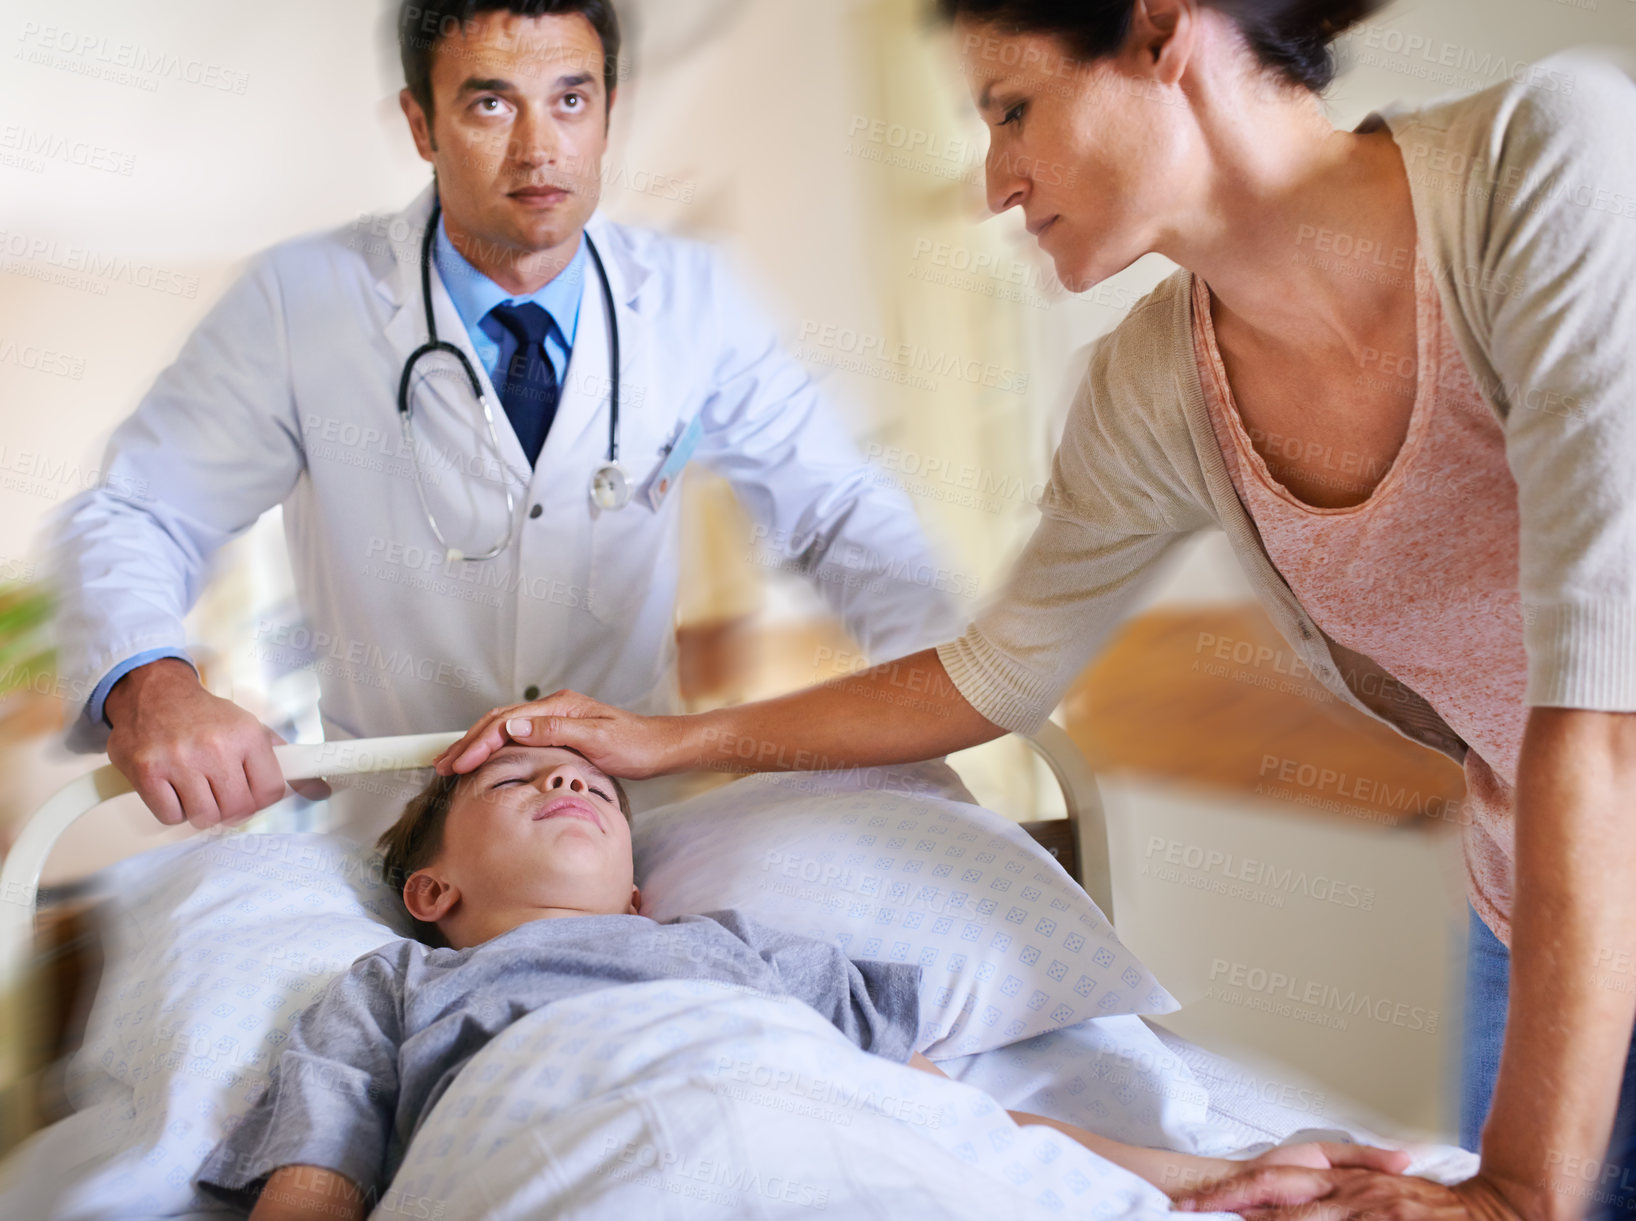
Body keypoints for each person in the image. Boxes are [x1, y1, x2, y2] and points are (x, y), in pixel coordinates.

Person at [431, 4, 1636, 1221]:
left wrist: (1521, 1192)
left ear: (1165, 32)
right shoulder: (1153, 385)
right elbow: (990, 676)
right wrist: (669, 740)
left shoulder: (1544, 163)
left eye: (1011, 109)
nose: (992, 185)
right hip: (1534, 889)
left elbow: (1603, 710)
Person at [49, 0, 960, 832]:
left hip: (632, 824)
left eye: (572, 99)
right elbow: (140, 510)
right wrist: (150, 683)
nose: (540, 149)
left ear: (610, 109)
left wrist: (947, 686)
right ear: (421, 124)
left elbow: (840, 511)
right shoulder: (299, 303)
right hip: (396, 828)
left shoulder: (694, 300)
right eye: (492, 105)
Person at [192, 743, 1406, 1218]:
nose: (569, 786)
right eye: (520, 786)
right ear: (433, 893)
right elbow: (319, 1175)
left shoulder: (744, 953)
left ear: (634, 892)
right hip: (559, 1124)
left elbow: (948, 1117)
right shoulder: (393, 987)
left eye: (594, 790)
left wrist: (1201, 1178)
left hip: (794, 1095)